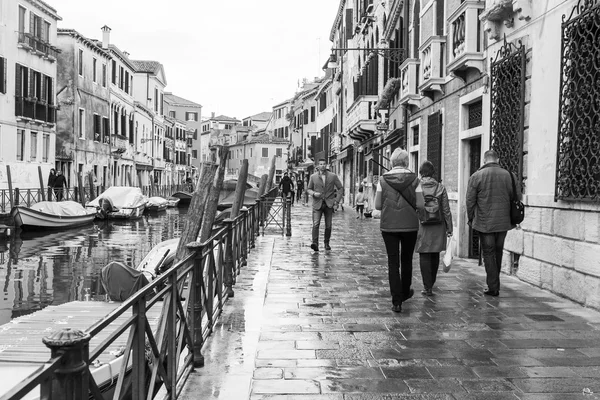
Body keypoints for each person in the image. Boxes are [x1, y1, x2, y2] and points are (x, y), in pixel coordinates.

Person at [466, 149, 518, 297]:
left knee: (488, 253)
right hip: (503, 222)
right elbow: (517, 196)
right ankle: (495, 284)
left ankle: (493, 286)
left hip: (484, 222)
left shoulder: (476, 176)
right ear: (498, 160)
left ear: (484, 161)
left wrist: (470, 218)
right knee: (498, 251)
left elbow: (470, 201)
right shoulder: (510, 175)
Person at [375, 148, 419, 313]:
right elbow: (420, 204)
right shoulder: (415, 179)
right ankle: (405, 292)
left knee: (393, 263)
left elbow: (378, 205)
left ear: (392, 162)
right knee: (407, 260)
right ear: (407, 162)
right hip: (410, 225)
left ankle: (396, 302)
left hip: (389, 226)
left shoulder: (382, 180)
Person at [415, 160, 453, 296]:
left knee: (424, 253)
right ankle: (431, 283)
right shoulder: (440, 187)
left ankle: (427, 287)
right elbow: (446, 210)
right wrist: (450, 228)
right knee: (435, 253)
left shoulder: (417, 187)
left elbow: (415, 207)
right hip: (438, 225)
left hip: (423, 225)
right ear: (433, 172)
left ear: (421, 172)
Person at [306, 159, 343, 251]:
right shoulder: (313, 177)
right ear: (318, 166)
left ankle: (326, 243)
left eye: (324, 164)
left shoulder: (333, 176)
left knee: (328, 225)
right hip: (317, 203)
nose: (322, 166)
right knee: (316, 224)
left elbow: (340, 188)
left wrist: (337, 201)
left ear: (326, 165)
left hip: (329, 203)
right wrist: (314, 193)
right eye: (320, 164)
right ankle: (315, 243)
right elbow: (308, 189)